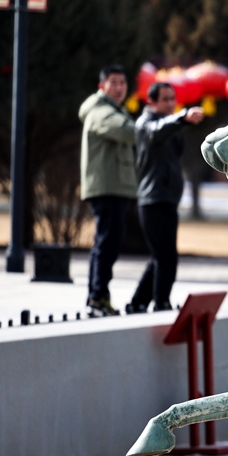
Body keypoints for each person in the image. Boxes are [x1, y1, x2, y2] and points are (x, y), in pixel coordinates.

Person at [126, 82, 204, 313]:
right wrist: (182, 117)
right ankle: (161, 302)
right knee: (166, 256)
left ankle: (138, 302)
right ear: (151, 101)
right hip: (152, 199)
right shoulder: (145, 123)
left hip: (168, 198)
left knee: (161, 256)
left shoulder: (171, 126)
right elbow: (157, 130)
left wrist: (179, 121)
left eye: (173, 99)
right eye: (165, 99)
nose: (171, 103)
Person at [79, 65, 137, 316]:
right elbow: (126, 131)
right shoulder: (100, 111)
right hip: (106, 187)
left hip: (115, 186)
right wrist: (152, 127)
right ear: (102, 86)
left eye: (123, 83)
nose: (119, 87)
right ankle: (96, 298)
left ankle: (99, 296)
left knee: (108, 242)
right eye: (114, 82)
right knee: (106, 243)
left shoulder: (114, 109)